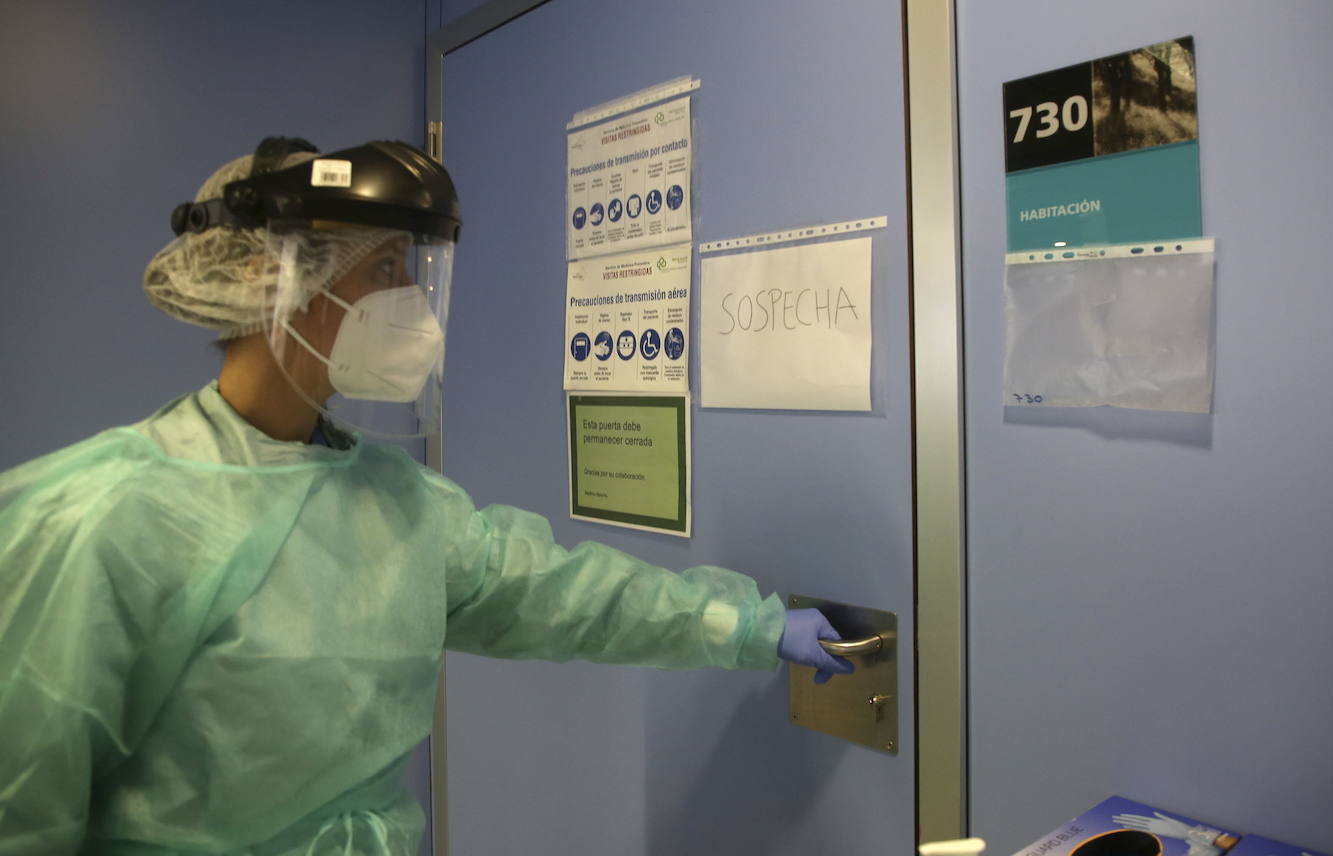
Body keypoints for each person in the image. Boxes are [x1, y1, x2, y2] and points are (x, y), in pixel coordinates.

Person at [0, 137, 852, 855]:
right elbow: (22, 801)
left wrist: (747, 625)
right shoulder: (104, 517)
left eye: (415, 269)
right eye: (382, 269)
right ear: (274, 279)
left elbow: (559, 595)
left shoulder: (395, 506)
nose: (413, 305)